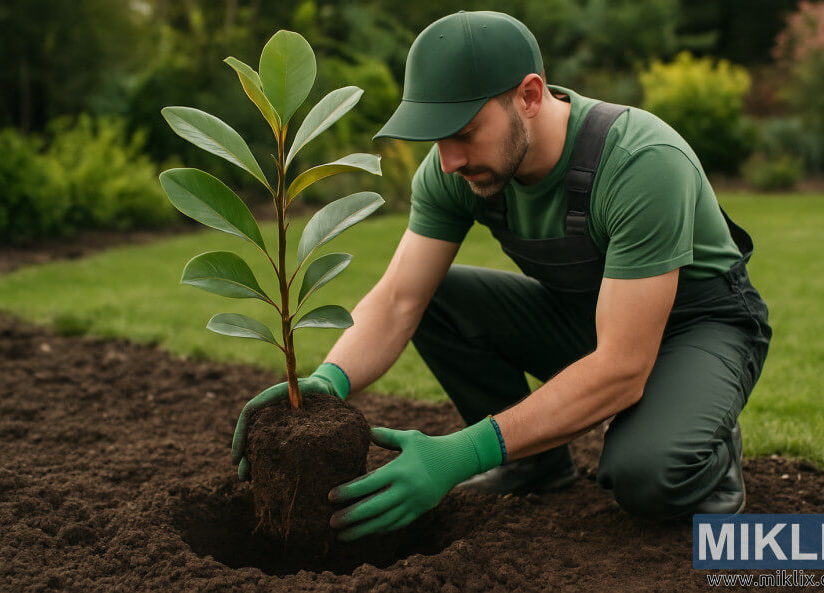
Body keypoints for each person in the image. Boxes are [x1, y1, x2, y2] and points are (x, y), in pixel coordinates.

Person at [231, 10, 772, 542]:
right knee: (436, 297)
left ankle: (705, 442)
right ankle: (539, 466)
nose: (447, 161)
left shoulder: (640, 161)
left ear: (530, 97)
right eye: (436, 138)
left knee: (646, 477)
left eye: (464, 133)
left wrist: (464, 452)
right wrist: (328, 383)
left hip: (700, 326)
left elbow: (624, 365)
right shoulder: (457, 172)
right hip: (589, 318)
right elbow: (399, 301)